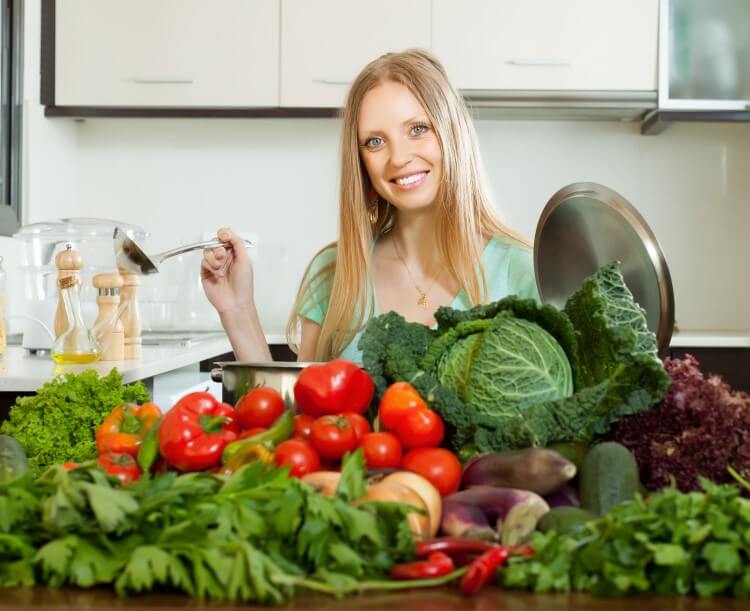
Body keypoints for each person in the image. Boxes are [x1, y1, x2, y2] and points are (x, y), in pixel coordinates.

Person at [201, 49, 538, 364]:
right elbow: (296, 414)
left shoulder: (522, 270)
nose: (399, 157)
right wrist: (237, 309)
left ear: (452, 134)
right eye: (375, 142)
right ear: (360, 161)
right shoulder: (335, 272)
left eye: (417, 129)